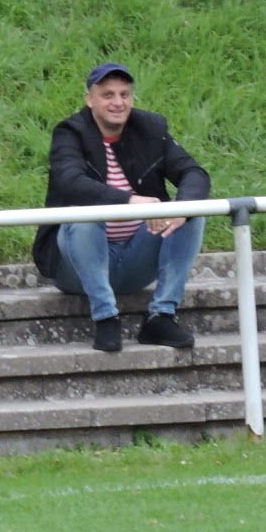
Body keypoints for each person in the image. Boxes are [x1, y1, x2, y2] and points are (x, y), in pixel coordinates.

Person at [32, 62, 210, 353]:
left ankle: (161, 316)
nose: (118, 102)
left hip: (134, 262)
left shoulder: (151, 128)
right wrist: (129, 201)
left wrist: (181, 208)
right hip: (73, 269)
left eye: (124, 94)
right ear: (90, 99)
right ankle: (106, 318)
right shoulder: (70, 132)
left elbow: (194, 173)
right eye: (108, 95)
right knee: (84, 216)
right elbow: (69, 181)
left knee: (192, 213)